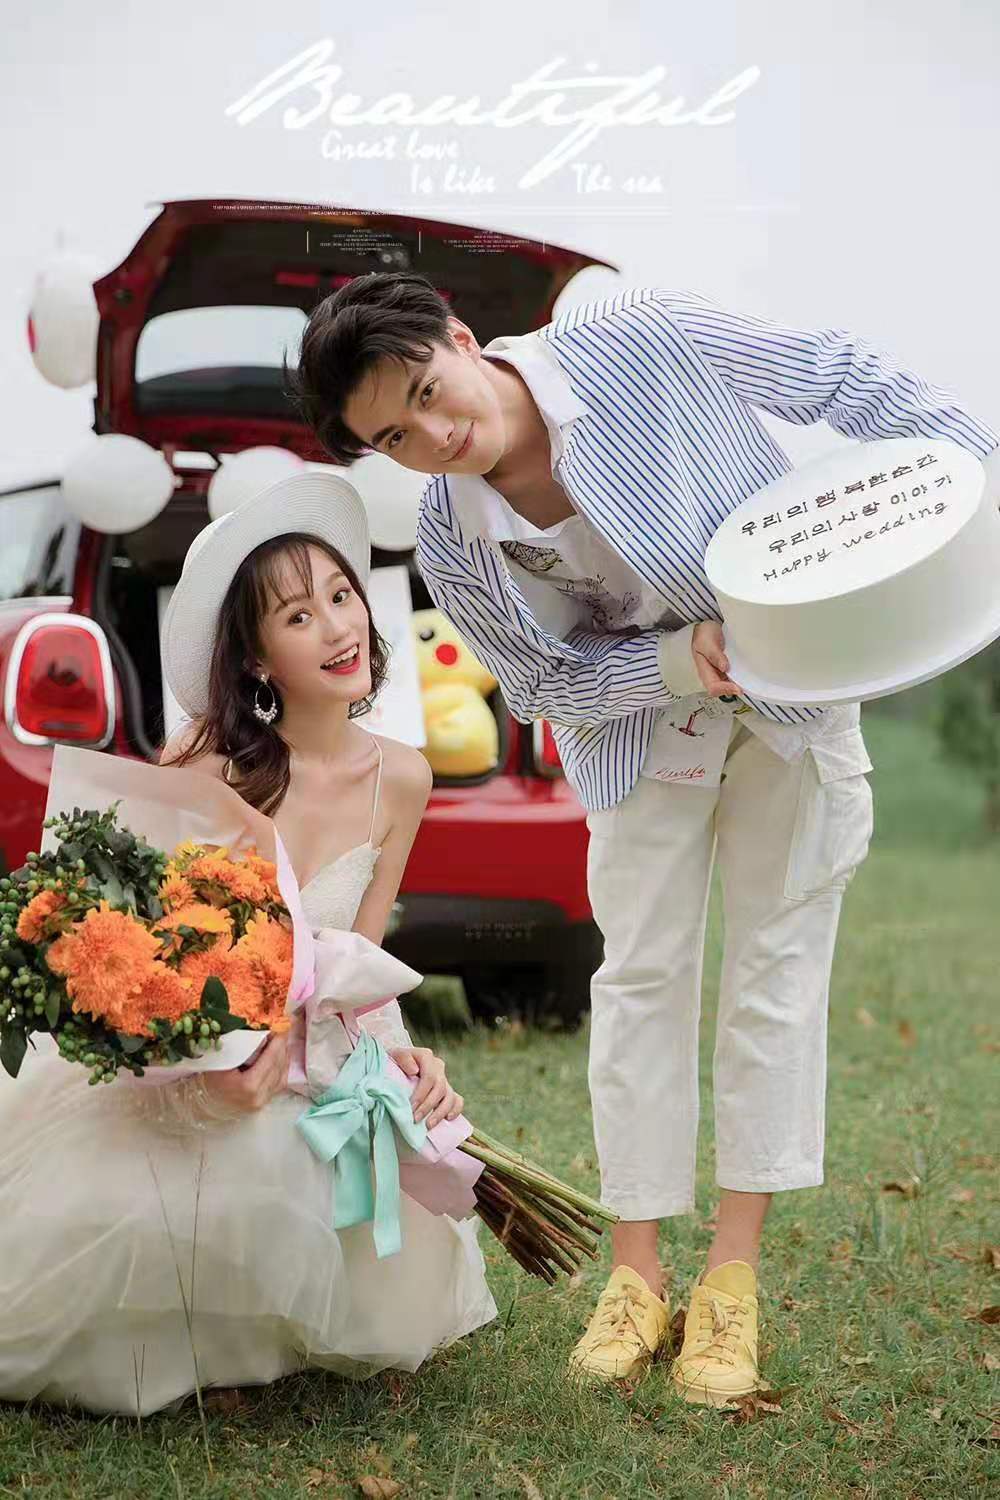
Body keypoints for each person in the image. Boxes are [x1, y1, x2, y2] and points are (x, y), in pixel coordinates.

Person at [288, 272, 999, 1406]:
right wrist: (674, 662)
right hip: (639, 735)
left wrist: (971, 472)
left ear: (460, 338)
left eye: (425, 391)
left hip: (792, 699)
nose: (433, 436)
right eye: (393, 438)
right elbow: (536, 682)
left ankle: (731, 1283)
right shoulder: (449, 536)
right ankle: (635, 1278)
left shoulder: (643, 337)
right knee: (639, 983)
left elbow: (838, 373)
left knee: (774, 976)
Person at [0, 470, 497, 1416]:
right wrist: (204, 1078)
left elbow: (360, 968)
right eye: (299, 616)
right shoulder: (204, 766)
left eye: (343, 596)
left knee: (333, 1180)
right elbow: (142, 953)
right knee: (199, 1176)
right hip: (200, 1056)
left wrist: (405, 1062)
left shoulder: (403, 777)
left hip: (321, 1058)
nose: (338, 627)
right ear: (258, 658)